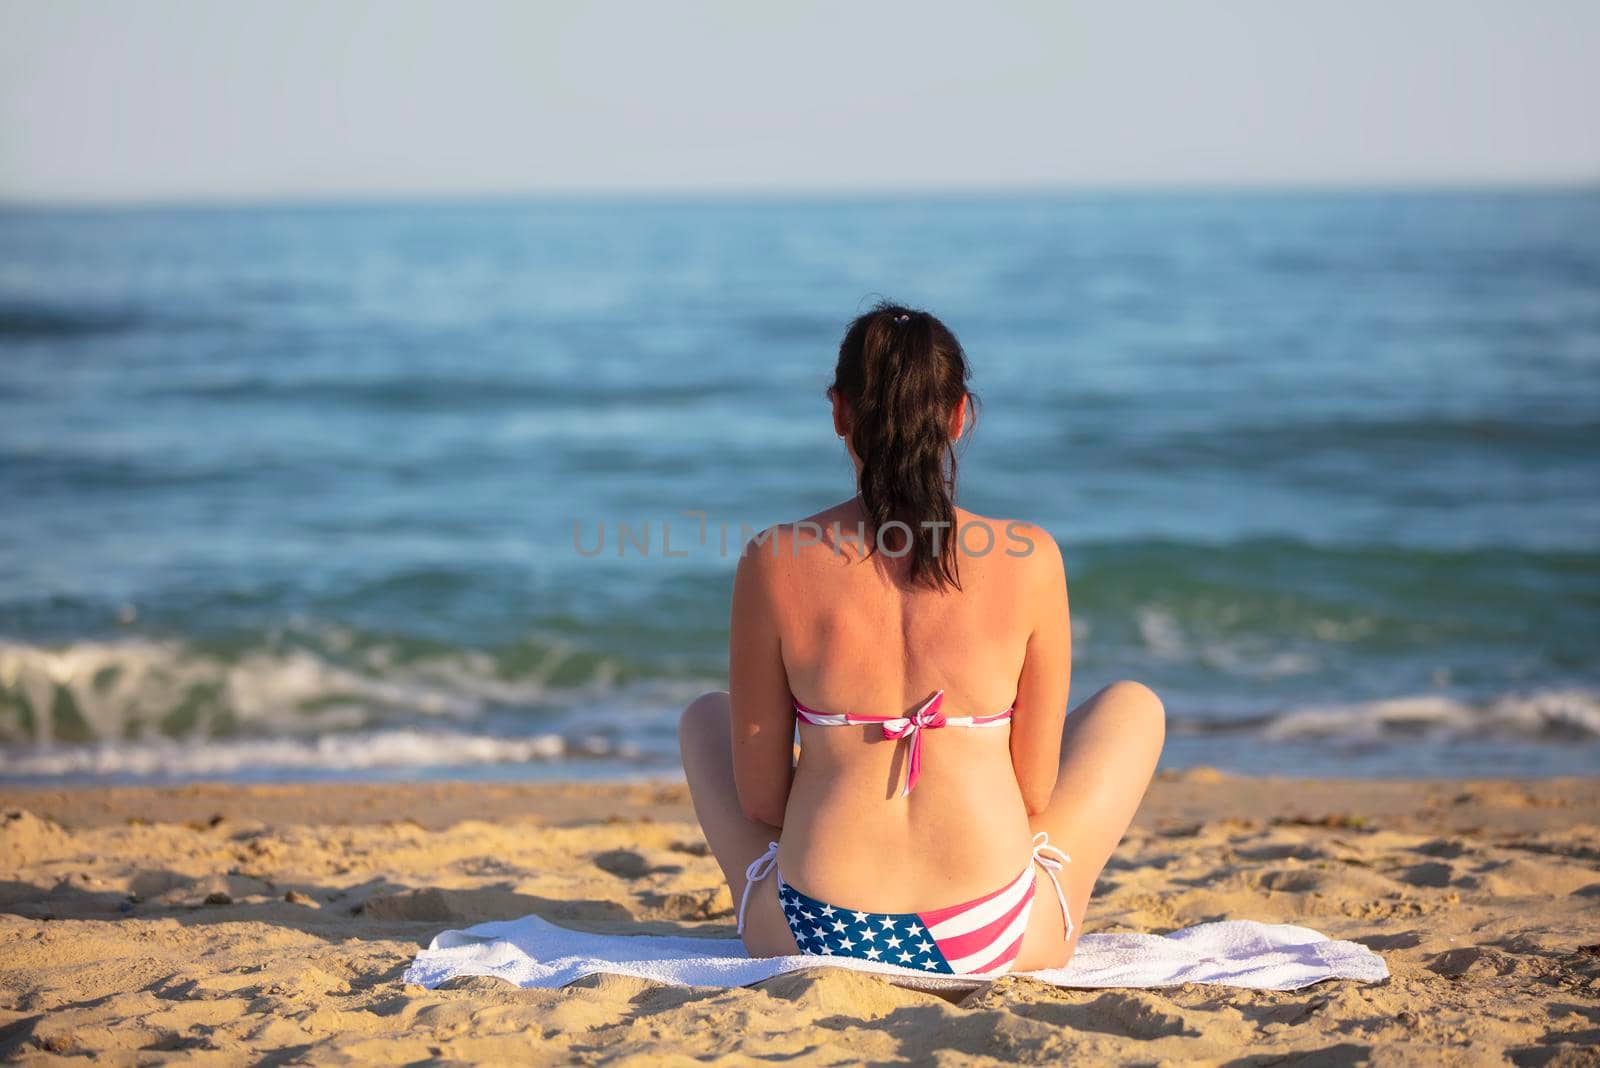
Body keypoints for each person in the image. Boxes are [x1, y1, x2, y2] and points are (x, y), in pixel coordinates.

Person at [679, 301, 1165, 976]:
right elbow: (1032, 791)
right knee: (1133, 707)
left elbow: (762, 802)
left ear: (840, 413)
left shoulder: (774, 558)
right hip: (988, 934)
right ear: (959, 415)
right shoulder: (1030, 556)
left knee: (704, 716)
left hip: (818, 932)